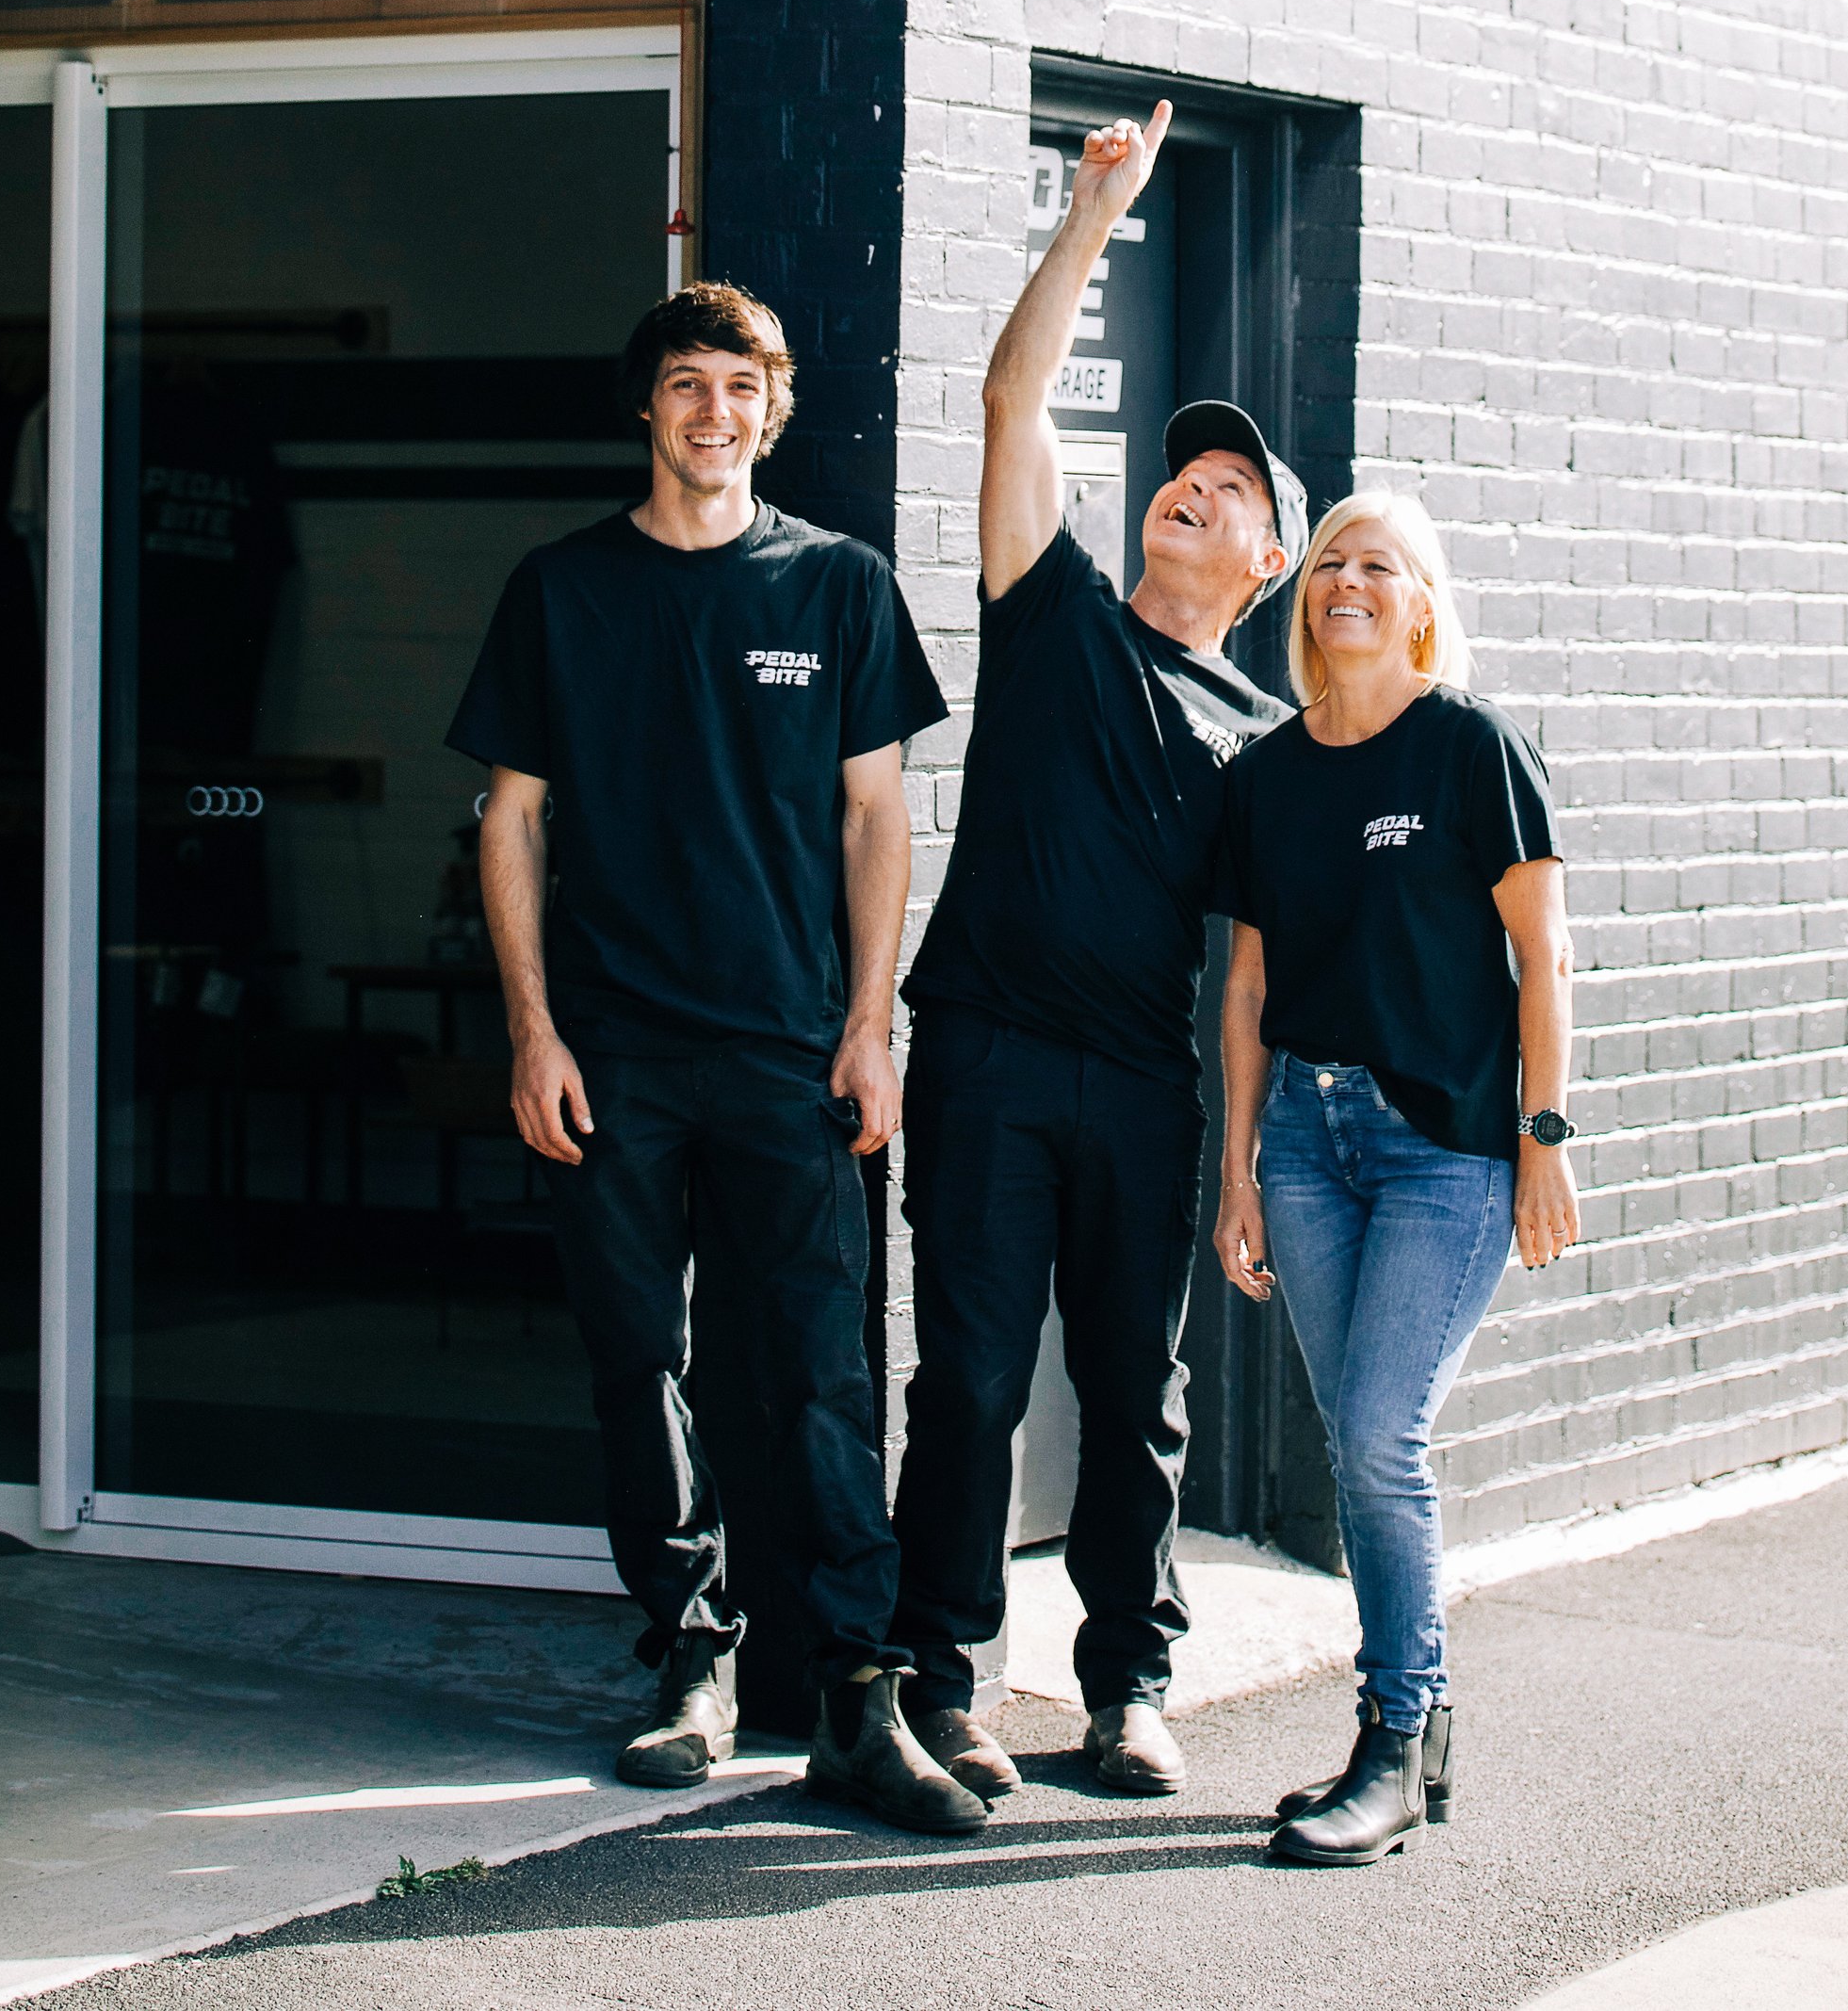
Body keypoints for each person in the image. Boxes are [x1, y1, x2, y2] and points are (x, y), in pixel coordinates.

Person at [452, 280, 984, 1836]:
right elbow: (513, 818)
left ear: (773, 409)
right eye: (686, 384)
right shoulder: (563, 590)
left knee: (821, 1371)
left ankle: (857, 1698)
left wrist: (867, 1025)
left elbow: (878, 816)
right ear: (649, 408)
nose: (713, 412)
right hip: (610, 1050)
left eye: (739, 386)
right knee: (644, 1363)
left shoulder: (837, 588)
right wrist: (534, 1030)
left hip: (787, 1054)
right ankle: (689, 1654)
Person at [890, 104, 1305, 1801]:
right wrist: (1093, 223)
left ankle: (1129, 1684)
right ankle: (941, 1674)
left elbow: (1274, 969)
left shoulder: (1272, 737)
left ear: (1269, 562)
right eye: (1185, 478)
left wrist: (1255, 1156)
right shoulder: (1049, 608)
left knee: (1138, 1396)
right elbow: (1012, 399)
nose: (1192, 498)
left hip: (1141, 1089)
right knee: (974, 1378)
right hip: (986, 1055)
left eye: (1230, 499)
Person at [1214, 487, 1579, 1866]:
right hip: (1305, 1142)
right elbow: (1247, 984)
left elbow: (1544, 958)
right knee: (1363, 1440)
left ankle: (1396, 1725)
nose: (1345, 582)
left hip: (1443, 1145)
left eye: (1377, 564)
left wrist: (1542, 1140)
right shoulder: (1266, 775)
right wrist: (1239, 1166)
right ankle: (1410, 1736)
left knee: (1377, 1437)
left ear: (1421, 601)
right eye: (1328, 565)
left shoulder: (1470, 748)